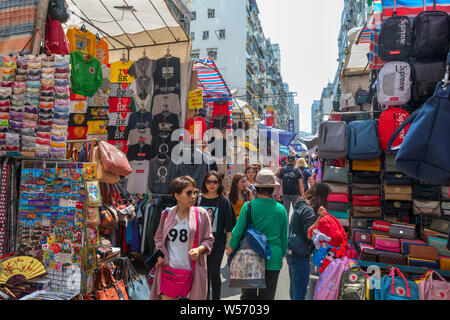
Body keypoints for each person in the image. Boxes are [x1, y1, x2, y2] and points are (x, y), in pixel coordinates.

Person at [151, 176, 215, 300]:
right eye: (189, 193)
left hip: (192, 273)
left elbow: (209, 239)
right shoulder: (166, 214)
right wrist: (160, 251)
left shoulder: (202, 214)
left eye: (195, 192)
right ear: (177, 195)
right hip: (169, 271)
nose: (193, 196)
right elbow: (158, 238)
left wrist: (199, 250)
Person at [228, 169, 288, 300]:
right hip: (273, 257)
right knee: (267, 297)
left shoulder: (248, 206)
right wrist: (281, 255)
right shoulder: (281, 209)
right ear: (273, 188)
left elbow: (237, 231)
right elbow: (284, 238)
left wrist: (231, 247)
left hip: (250, 255)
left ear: (257, 188)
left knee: (249, 297)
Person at [286, 183, 331, 300]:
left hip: (292, 250)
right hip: (300, 254)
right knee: (300, 291)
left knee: (295, 289)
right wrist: (320, 218)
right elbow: (309, 233)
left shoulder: (301, 204)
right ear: (321, 197)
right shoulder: (308, 211)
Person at [197, 171, 236, 300]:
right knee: (203, 274)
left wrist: (229, 245)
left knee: (213, 273)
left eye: (215, 182)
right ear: (205, 183)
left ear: (219, 184)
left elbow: (229, 226)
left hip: (217, 243)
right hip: (198, 243)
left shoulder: (223, 201)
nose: (212, 185)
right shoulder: (198, 199)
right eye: (209, 181)